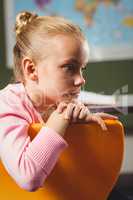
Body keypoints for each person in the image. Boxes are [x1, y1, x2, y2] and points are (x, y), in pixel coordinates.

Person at [0, 11, 123, 194]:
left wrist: (80, 125)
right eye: (69, 67)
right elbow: (28, 178)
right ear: (32, 69)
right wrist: (61, 119)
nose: (81, 80)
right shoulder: (7, 104)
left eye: (82, 69)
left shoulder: (57, 101)